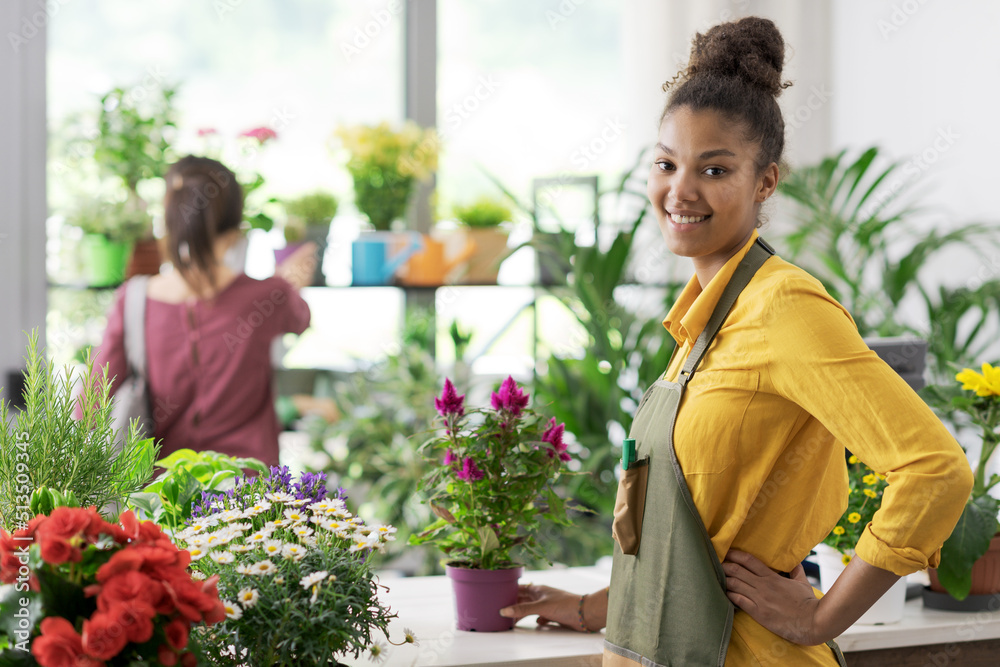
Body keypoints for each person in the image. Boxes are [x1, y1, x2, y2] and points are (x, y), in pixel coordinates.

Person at [499, 16, 972, 666]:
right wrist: (591, 606)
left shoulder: (785, 306)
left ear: (765, 181)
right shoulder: (698, 326)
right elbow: (691, 542)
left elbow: (935, 468)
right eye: (665, 163)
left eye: (715, 169)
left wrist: (821, 616)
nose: (680, 190)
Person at [88, 155, 315, 467]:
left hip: (161, 499)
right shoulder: (270, 295)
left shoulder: (135, 299)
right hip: (247, 494)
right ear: (235, 230)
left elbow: (92, 402)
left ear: (168, 224)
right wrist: (292, 282)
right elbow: (300, 319)